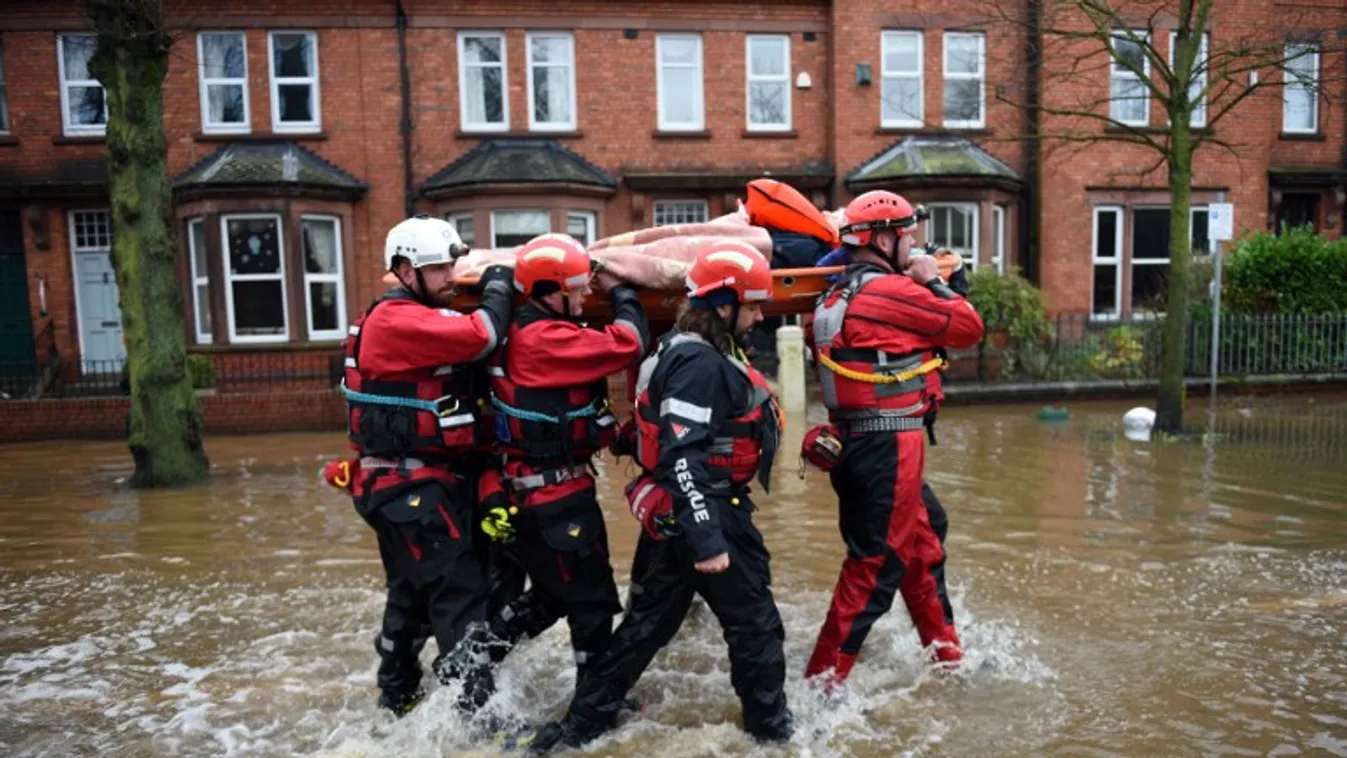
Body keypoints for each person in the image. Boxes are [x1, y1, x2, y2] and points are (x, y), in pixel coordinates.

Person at [516, 240, 794, 753]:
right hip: (707, 512)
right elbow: (684, 457)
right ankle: (773, 734)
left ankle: (576, 731)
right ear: (725, 305)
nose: (759, 316)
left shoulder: (686, 349)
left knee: (644, 630)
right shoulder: (699, 365)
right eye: (753, 305)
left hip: (676, 515)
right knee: (756, 628)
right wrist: (709, 541)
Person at [803, 190, 984, 687]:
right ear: (884, 240)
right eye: (908, 237)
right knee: (875, 565)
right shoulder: (891, 293)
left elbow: (898, 341)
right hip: (888, 446)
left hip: (862, 446)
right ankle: (820, 687)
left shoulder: (835, 295)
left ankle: (947, 659)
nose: (915, 246)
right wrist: (936, 284)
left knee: (923, 546)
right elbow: (968, 328)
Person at [339, 214, 515, 716]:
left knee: (412, 595)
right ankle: (481, 723)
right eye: (437, 268)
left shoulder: (414, 316)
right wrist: (499, 285)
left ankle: (397, 700)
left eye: (453, 264)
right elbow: (483, 334)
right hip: (410, 484)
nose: (450, 276)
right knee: (459, 590)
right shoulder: (398, 319)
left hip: (405, 483)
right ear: (404, 271)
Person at [473, 233, 649, 686]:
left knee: (551, 597)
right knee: (591, 602)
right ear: (549, 291)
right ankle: (595, 704)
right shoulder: (544, 339)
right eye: (578, 289)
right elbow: (629, 342)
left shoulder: (522, 330)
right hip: (557, 498)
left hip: (535, 493)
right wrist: (624, 291)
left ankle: (469, 664)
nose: (587, 294)